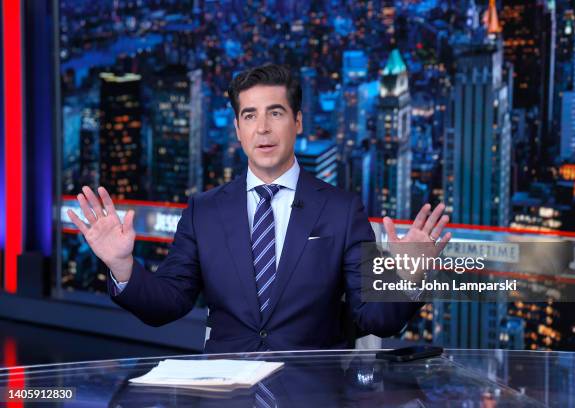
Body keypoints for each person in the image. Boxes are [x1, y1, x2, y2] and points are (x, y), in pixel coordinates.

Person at [67, 64, 451, 353]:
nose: (263, 128)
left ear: (297, 121)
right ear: (237, 129)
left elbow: (374, 319)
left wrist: (408, 277)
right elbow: (168, 303)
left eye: (276, 113)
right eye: (250, 115)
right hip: (225, 394)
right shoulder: (204, 211)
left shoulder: (340, 209)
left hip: (313, 392)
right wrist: (121, 267)